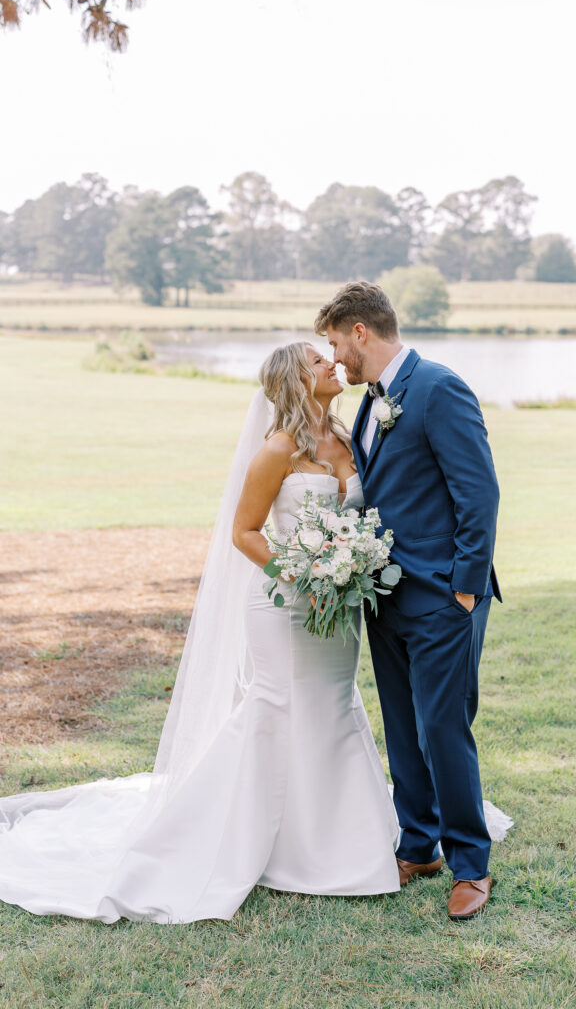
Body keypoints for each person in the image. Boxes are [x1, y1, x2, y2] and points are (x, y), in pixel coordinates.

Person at [0, 342, 401, 924]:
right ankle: (246, 840)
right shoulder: (278, 449)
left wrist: (349, 567)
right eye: (318, 361)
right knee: (277, 709)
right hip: (286, 607)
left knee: (335, 705)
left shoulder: (346, 439)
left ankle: (344, 839)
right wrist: (305, 573)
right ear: (295, 380)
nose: (331, 365)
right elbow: (245, 532)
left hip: (338, 611)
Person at [315, 281, 507, 920]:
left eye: (336, 341)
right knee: (401, 725)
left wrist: (464, 587)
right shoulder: (372, 403)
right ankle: (418, 844)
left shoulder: (438, 387)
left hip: (441, 597)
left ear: (361, 331)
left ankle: (470, 864)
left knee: (441, 728)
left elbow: (478, 495)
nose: (335, 356)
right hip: (384, 595)